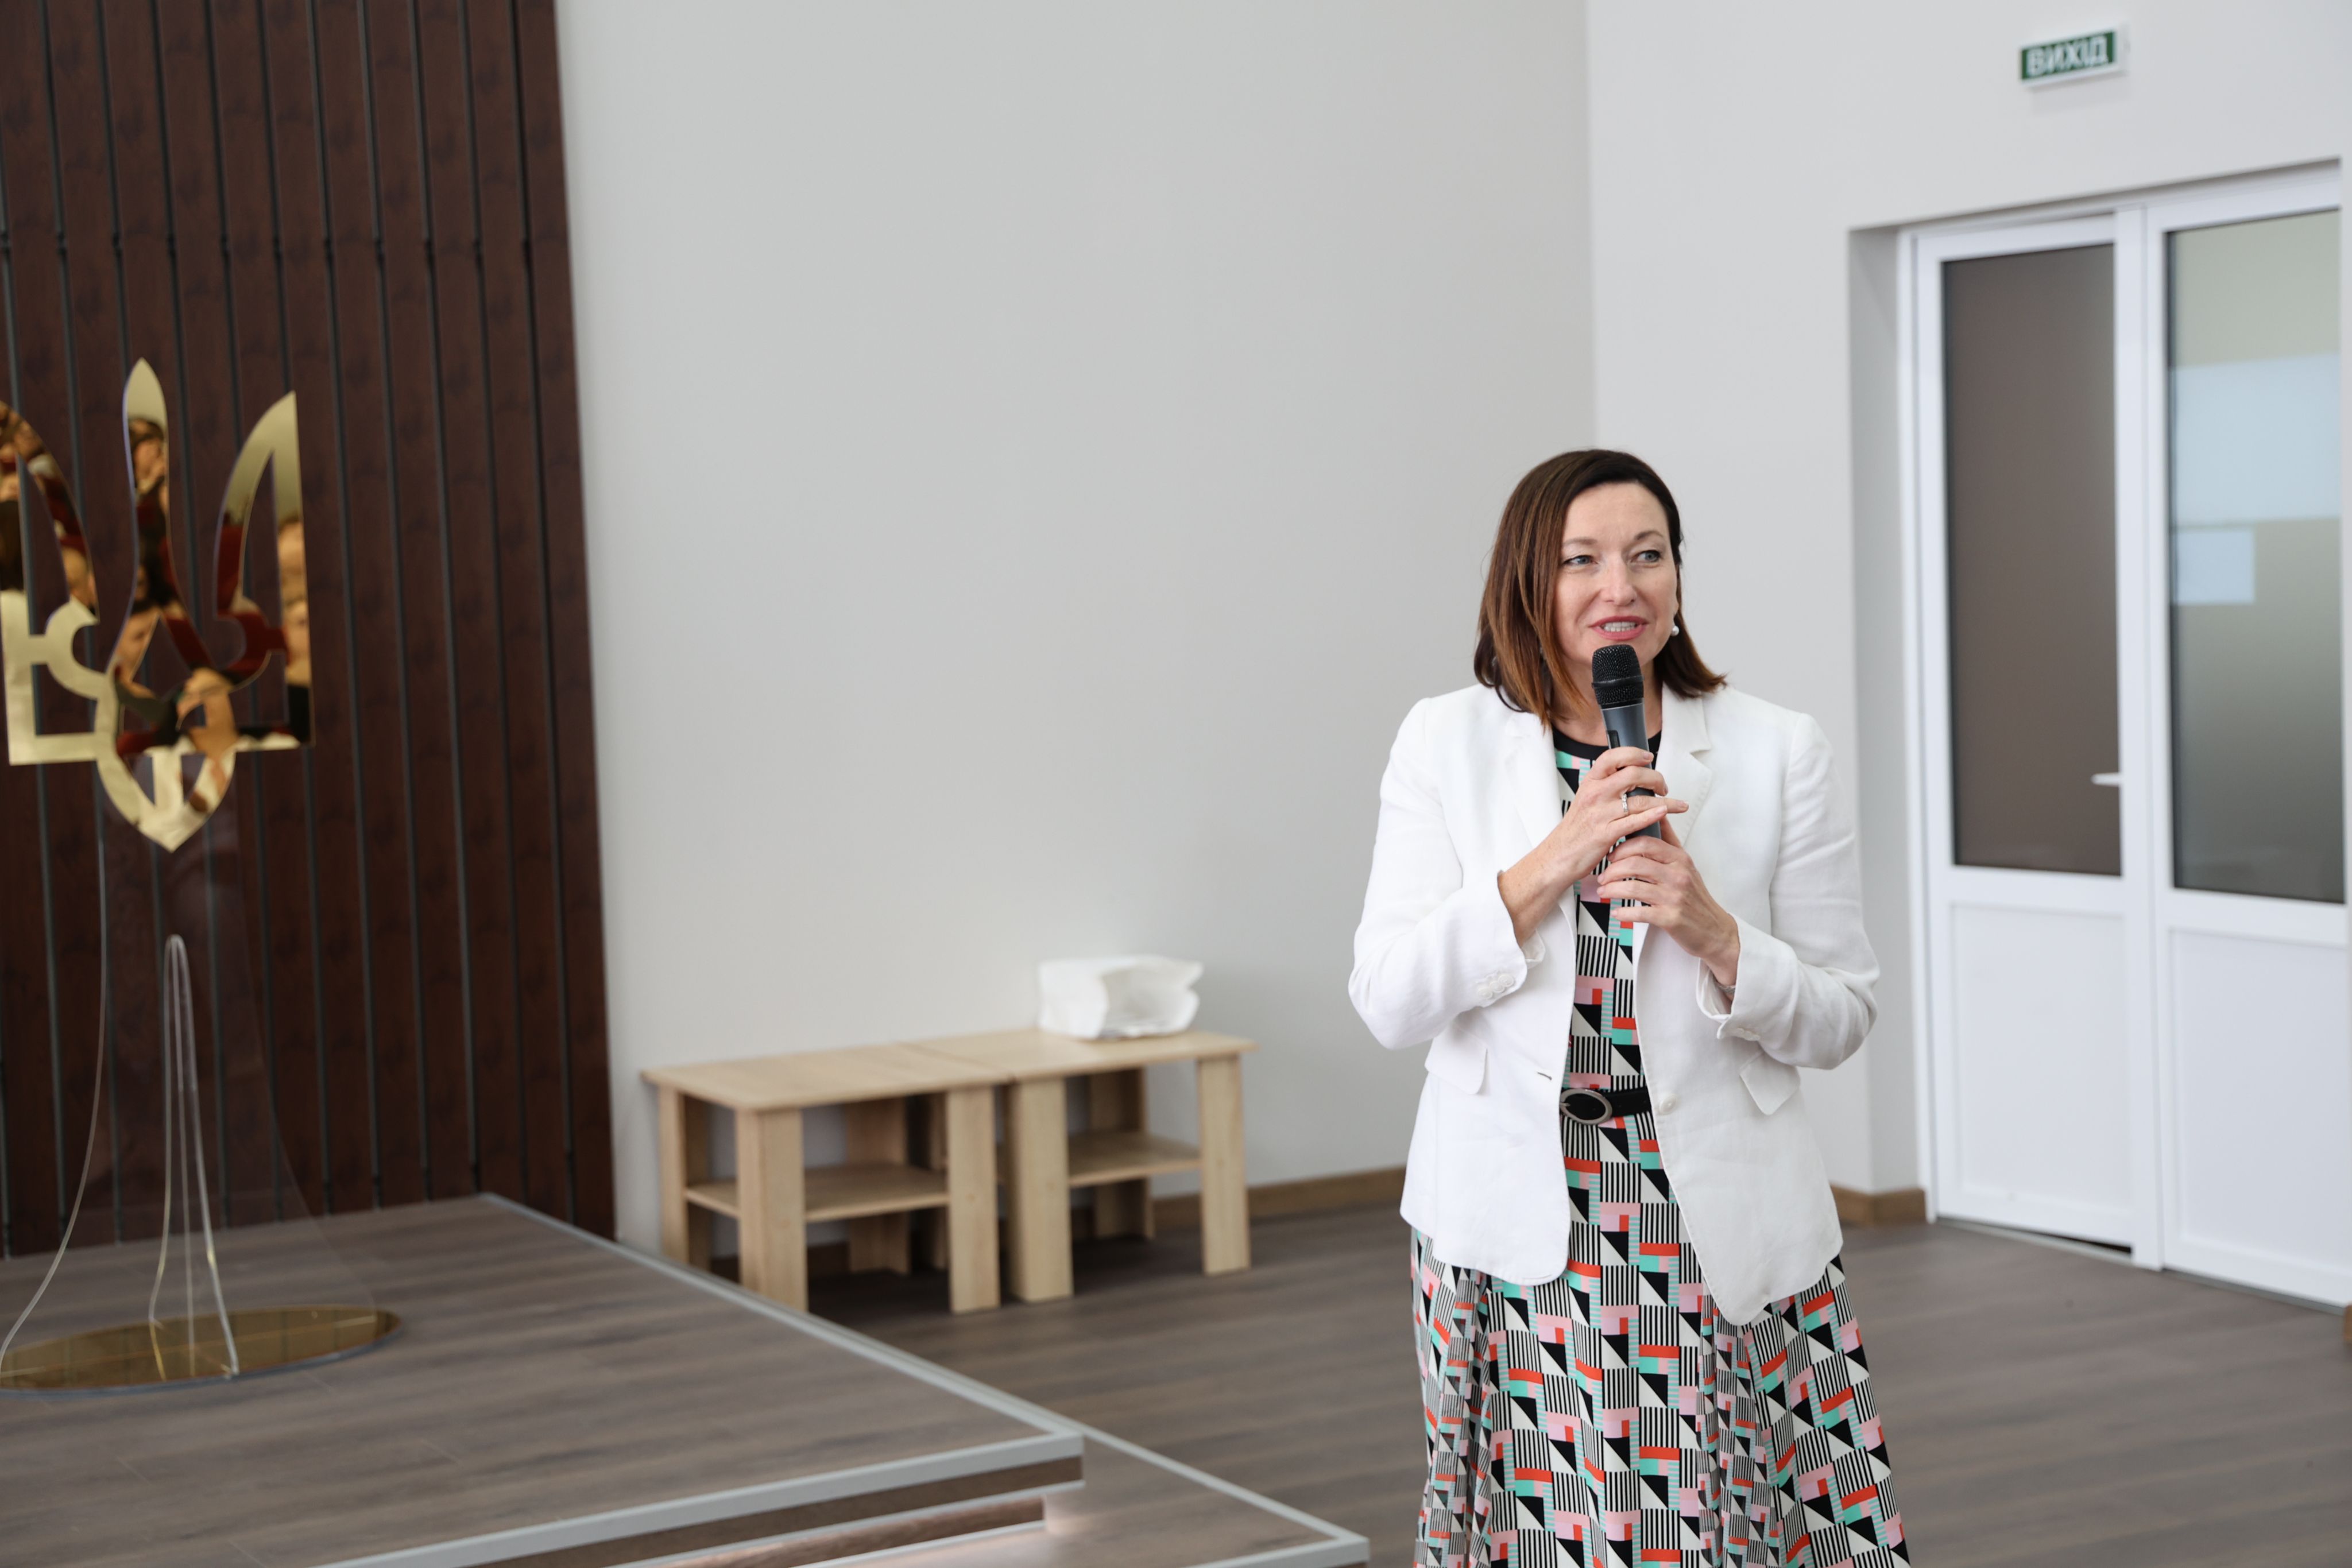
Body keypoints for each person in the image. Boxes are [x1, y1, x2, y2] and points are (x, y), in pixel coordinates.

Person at [1350, 450, 1908, 1567]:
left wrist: (1715, 932)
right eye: (1582, 560)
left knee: (1723, 1524)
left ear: (1678, 577)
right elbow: (1389, 998)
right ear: (1527, 580)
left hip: (1705, 1209)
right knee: (1543, 1531)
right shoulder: (1444, 743)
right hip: (1517, 1216)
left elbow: (1841, 1013)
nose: (1621, 586)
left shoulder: (1774, 748)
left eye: (1647, 555)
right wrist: (1548, 863)